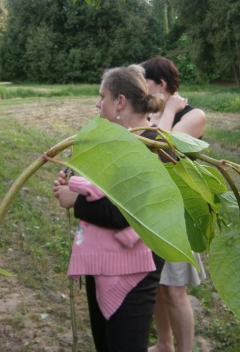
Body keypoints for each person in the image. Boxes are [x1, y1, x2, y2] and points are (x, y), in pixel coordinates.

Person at [52, 64, 170, 352]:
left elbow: (127, 212)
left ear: (120, 102)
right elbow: (103, 189)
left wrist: (74, 200)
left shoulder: (155, 146)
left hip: (134, 270)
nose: (97, 103)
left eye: (102, 96)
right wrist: (74, 181)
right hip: (103, 260)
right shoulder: (114, 142)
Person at [141, 56, 206, 352]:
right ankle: (164, 343)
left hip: (177, 214)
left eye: (146, 84)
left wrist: (168, 112)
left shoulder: (193, 116)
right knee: (156, 288)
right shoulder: (152, 115)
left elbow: (163, 151)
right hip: (152, 210)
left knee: (175, 291)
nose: (142, 91)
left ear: (161, 84)